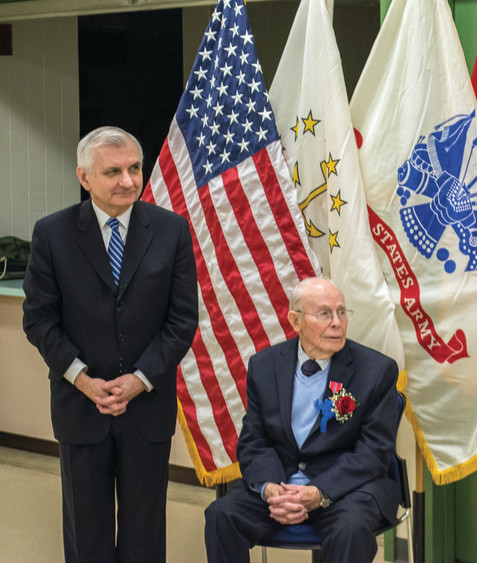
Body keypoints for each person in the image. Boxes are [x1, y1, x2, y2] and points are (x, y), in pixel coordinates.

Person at [22, 126, 199, 563]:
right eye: (113, 171)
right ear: (84, 178)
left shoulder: (171, 230)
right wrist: (82, 379)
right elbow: (38, 319)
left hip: (147, 410)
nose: (128, 180)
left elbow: (182, 320)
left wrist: (139, 380)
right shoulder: (53, 233)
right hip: (80, 408)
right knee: (87, 533)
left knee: (145, 532)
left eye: (135, 168)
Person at [204, 277, 401, 563]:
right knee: (221, 515)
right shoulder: (264, 366)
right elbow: (253, 442)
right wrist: (271, 489)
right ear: (295, 321)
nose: (337, 322)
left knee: (350, 529)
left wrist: (319, 492)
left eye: (342, 312)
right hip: (280, 483)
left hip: (346, 489)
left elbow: (374, 452)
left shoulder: (377, 370)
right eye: (325, 313)